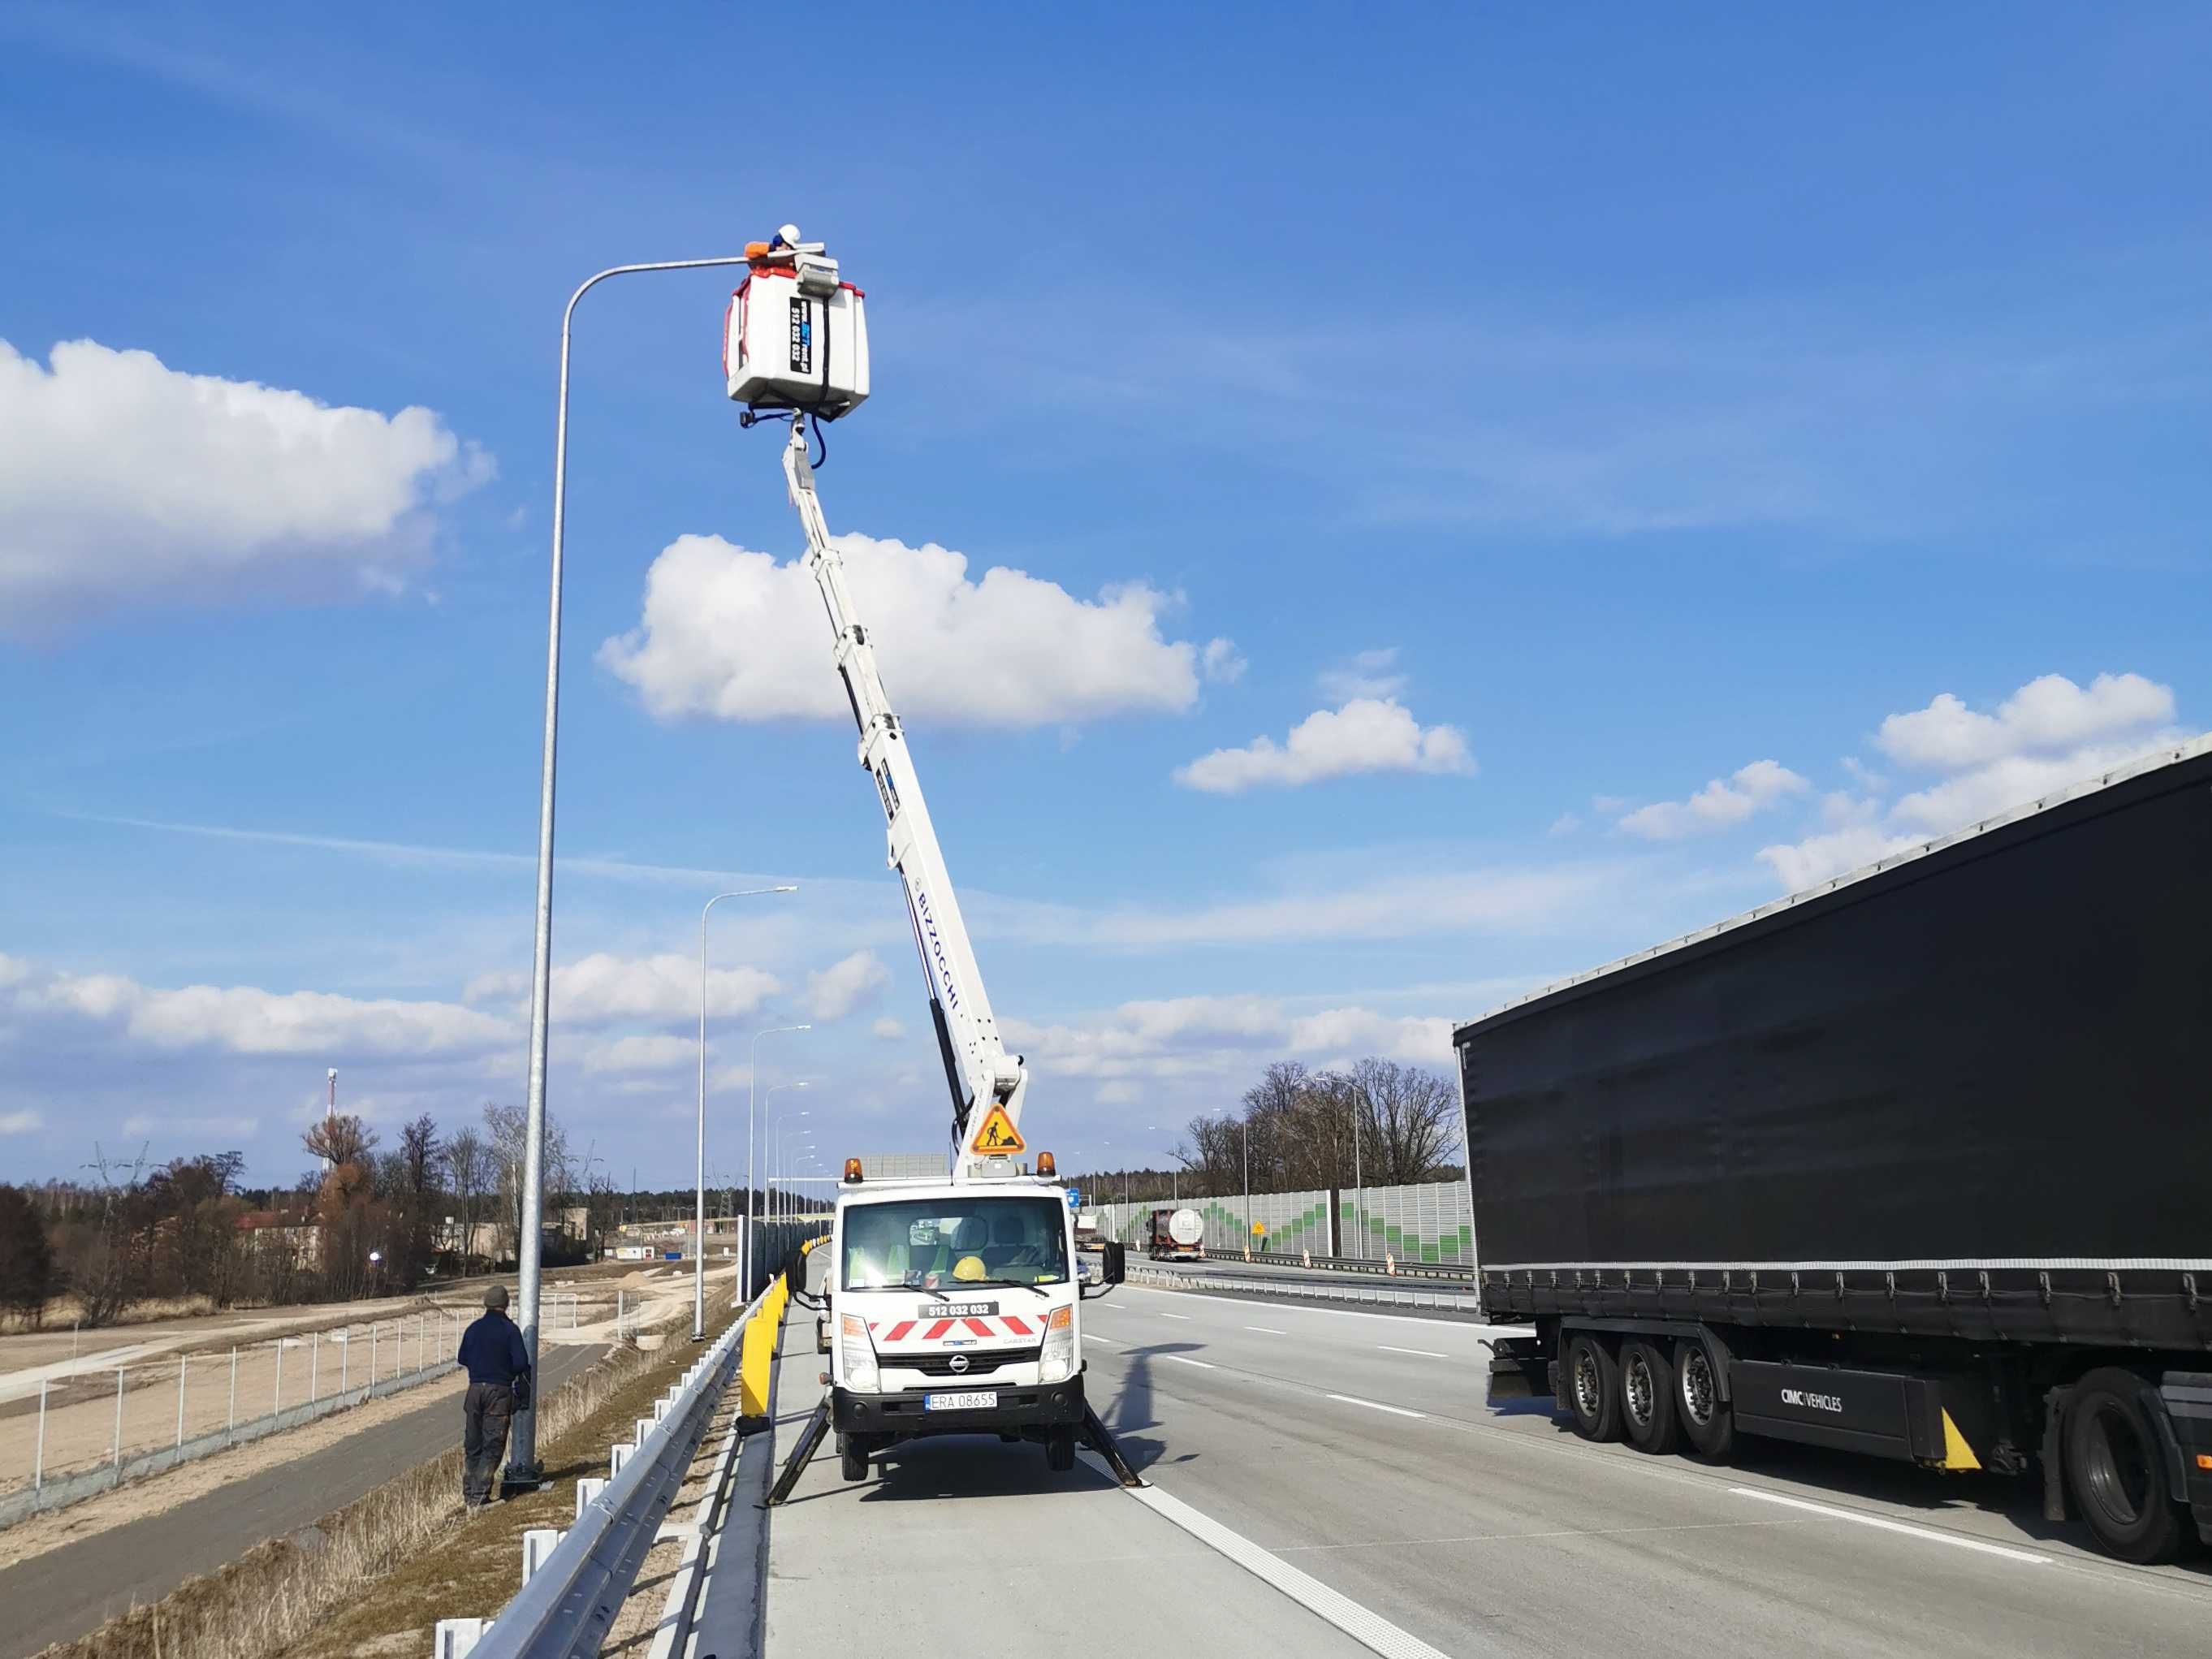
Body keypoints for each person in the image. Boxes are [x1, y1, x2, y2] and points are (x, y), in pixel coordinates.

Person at [457, 1284, 532, 1508]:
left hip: (474, 1390)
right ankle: (480, 1497)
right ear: (506, 1305)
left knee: (473, 1443)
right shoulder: (510, 1330)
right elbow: (520, 1363)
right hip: (498, 1392)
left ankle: (470, 1495)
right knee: (492, 1444)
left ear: (486, 1304)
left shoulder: (473, 1328)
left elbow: (462, 1358)